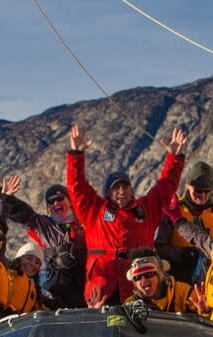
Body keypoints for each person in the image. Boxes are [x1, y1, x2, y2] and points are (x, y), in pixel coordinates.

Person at [67, 124, 187, 305]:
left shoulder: (146, 210)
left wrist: (175, 158)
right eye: (116, 187)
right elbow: (77, 188)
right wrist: (76, 154)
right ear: (108, 192)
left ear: (131, 189)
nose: (121, 191)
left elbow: (165, 187)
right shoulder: (94, 212)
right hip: (102, 290)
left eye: (125, 186)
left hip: (139, 287)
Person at [0, 165, 87, 309]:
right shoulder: (45, 227)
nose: (56, 203)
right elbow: (17, 209)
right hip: (62, 292)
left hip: (93, 289)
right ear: (48, 208)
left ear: (70, 201)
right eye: (51, 202)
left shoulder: (88, 222)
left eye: (59, 199)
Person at [154, 161, 213, 284]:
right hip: (176, 278)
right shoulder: (173, 211)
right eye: (198, 191)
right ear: (188, 186)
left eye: (207, 191)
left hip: (209, 279)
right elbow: (160, 248)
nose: (202, 196)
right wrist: (184, 254)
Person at [119, 248, 196, 313]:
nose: (143, 281)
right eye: (137, 277)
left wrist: (204, 311)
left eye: (148, 274)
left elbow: (203, 311)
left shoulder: (182, 292)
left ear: (160, 275)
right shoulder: (130, 305)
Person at [6, 241, 48, 314]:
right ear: (19, 259)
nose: (32, 264)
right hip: (2, 324)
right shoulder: (7, 277)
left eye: (37, 263)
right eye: (29, 258)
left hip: (21, 324)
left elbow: (39, 311)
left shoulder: (34, 290)